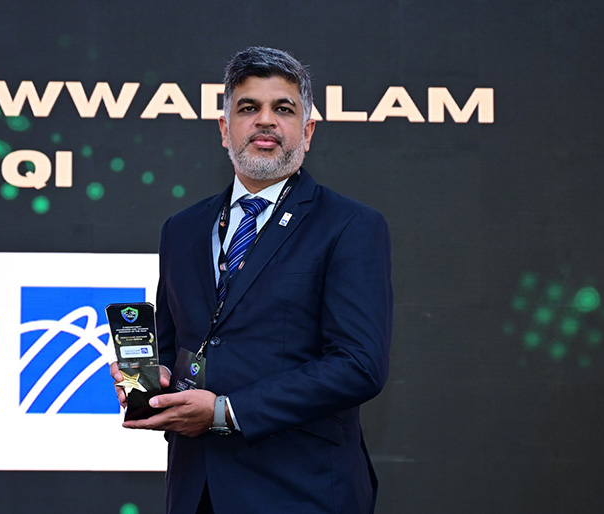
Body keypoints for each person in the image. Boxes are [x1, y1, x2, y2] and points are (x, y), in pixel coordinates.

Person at [111, 46, 393, 514]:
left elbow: (358, 365)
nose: (265, 121)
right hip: (196, 490)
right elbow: (175, 346)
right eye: (248, 108)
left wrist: (226, 412)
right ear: (225, 129)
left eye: (283, 109)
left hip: (301, 493)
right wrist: (152, 379)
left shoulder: (350, 225)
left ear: (308, 131)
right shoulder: (181, 229)